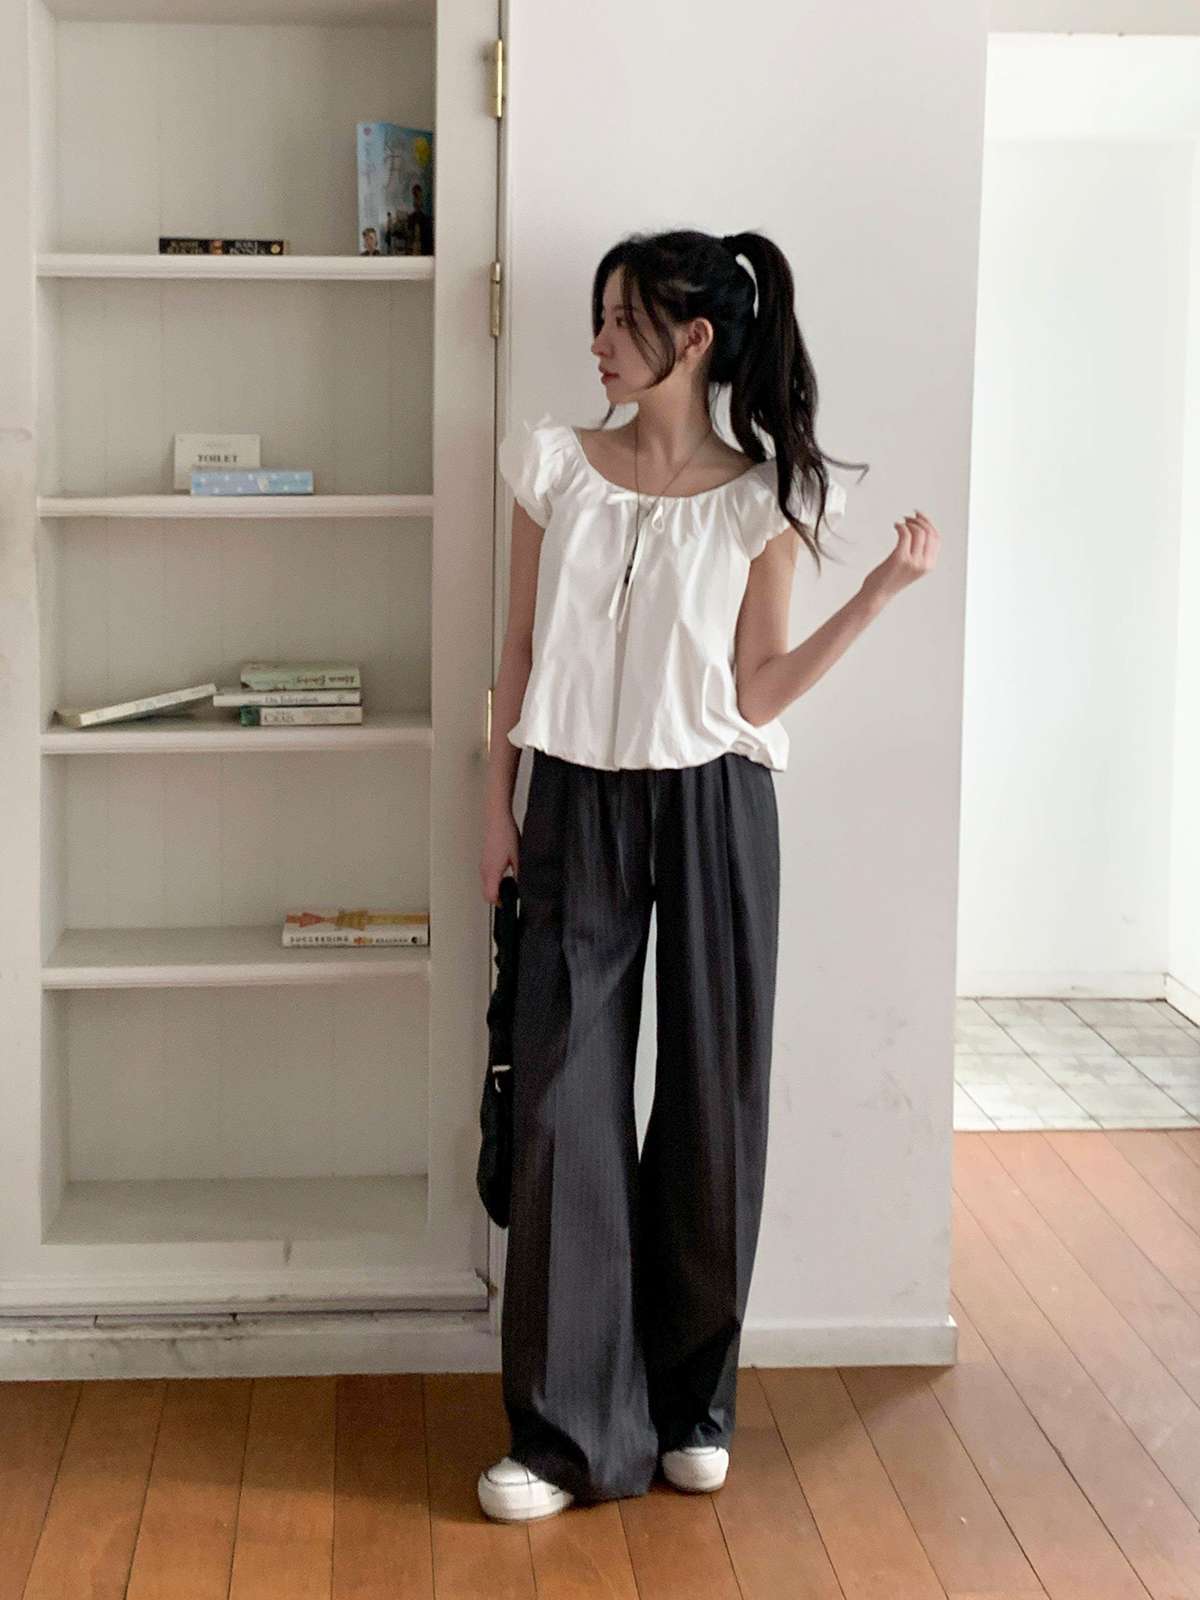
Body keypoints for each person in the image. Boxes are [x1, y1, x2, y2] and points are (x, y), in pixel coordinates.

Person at [478, 227, 940, 1523]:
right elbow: (514, 648)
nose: (595, 344)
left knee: (711, 1099)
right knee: (562, 1100)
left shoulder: (761, 499)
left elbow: (758, 688)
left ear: (690, 341)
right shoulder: (554, 468)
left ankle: (693, 1403)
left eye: (619, 321)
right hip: (573, 797)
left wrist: (878, 596)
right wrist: (493, 805)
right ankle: (563, 1436)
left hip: (718, 803)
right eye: (597, 318)